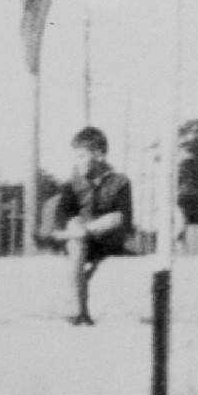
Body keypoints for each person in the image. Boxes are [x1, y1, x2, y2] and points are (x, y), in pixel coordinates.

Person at [48, 126, 133, 325]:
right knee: (75, 241)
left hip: (107, 238)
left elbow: (125, 219)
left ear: (100, 155)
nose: (77, 162)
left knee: (114, 217)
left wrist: (90, 228)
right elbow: (63, 214)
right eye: (76, 157)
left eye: (82, 156)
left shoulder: (120, 182)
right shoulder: (71, 184)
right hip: (82, 241)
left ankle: (82, 232)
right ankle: (80, 310)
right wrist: (73, 223)